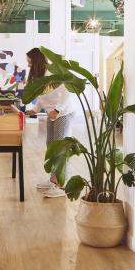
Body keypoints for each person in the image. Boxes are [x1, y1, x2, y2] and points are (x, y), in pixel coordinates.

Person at [25, 48, 76, 198]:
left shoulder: (53, 73)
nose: (28, 65)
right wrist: (34, 109)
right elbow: (42, 97)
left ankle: (60, 184)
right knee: (51, 145)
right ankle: (53, 179)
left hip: (63, 113)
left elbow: (67, 91)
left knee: (59, 148)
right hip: (52, 113)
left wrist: (58, 110)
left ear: (37, 61)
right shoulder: (40, 76)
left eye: (30, 61)